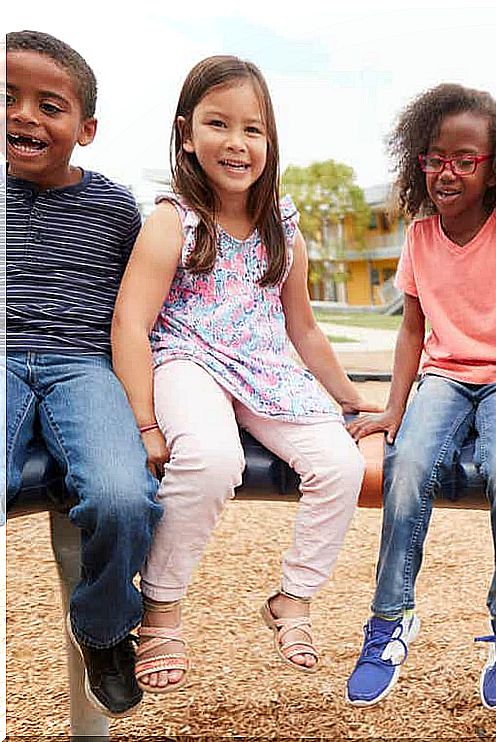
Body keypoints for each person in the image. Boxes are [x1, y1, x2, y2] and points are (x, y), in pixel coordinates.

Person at [111, 55, 378, 693]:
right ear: (185, 133)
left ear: (270, 141)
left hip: (265, 367)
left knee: (342, 466)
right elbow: (131, 324)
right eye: (218, 124)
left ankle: (294, 596)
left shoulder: (282, 226)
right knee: (208, 458)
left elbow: (303, 328)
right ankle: (162, 606)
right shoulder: (173, 219)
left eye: (253, 129)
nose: (237, 143)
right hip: (189, 358)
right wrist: (147, 423)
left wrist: (351, 401)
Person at [344, 83, 496, 712]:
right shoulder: (419, 234)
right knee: (405, 464)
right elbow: (412, 327)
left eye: (466, 160)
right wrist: (393, 409)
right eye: (435, 158)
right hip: (444, 374)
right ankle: (390, 619)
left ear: (495, 171)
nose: (447, 172)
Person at [4, 29, 163, 718]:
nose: (24, 115)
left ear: (86, 128)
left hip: (82, 366)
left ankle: (102, 628)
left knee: (124, 494)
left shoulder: (115, 206)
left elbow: (145, 306)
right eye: (8, 98)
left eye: (49, 105)